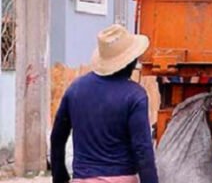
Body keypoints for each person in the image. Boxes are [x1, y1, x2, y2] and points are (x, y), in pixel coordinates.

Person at [51, 25, 158, 183]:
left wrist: (59, 174)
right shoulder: (135, 95)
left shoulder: (75, 89)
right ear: (130, 62)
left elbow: (57, 137)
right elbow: (142, 149)